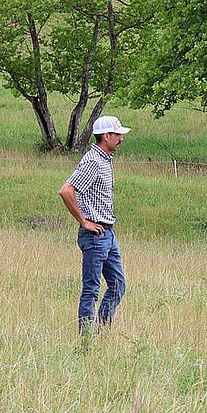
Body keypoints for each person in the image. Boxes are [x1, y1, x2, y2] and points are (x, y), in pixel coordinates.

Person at [59, 116, 131, 333]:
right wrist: (84, 222)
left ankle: (101, 331)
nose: (121, 139)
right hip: (95, 234)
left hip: (108, 232)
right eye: (117, 135)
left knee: (118, 285)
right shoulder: (93, 161)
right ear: (106, 136)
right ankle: (87, 338)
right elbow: (66, 191)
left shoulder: (105, 160)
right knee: (91, 289)